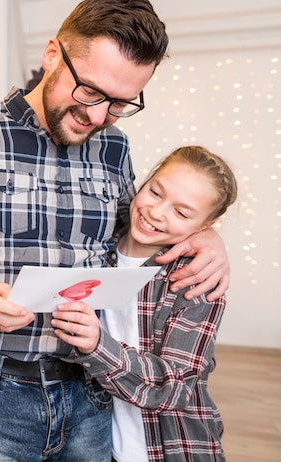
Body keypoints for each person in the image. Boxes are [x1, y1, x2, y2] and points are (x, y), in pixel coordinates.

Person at [0, 0, 230, 462]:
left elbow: (136, 233)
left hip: (91, 395)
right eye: (90, 91)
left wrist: (205, 235)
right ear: (53, 55)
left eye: (118, 103)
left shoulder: (113, 148)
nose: (97, 116)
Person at [52, 145, 237, 461]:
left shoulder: (195, 282)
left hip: (169, 448)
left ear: (206, 226)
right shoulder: (96, 246)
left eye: (181, 212)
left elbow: (177, 386)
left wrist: (98, 345)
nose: (156, 212)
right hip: (95, 441)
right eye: (155, 192)